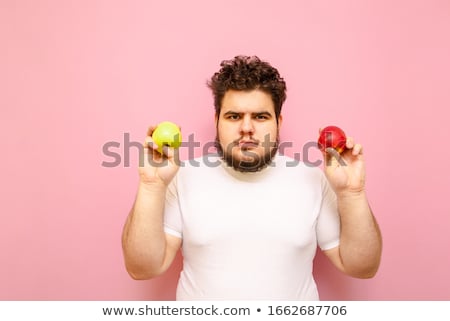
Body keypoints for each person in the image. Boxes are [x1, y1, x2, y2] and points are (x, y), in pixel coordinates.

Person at [121, 55, 382, 300]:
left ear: (278, 121)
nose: (246, 128)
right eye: (234, 116)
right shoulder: (182, 177)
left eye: (260, 116)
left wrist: (352, 193)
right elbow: (142, 268)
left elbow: (362, 267)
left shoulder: (312, 178)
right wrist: (151, 186)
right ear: (217, 120)